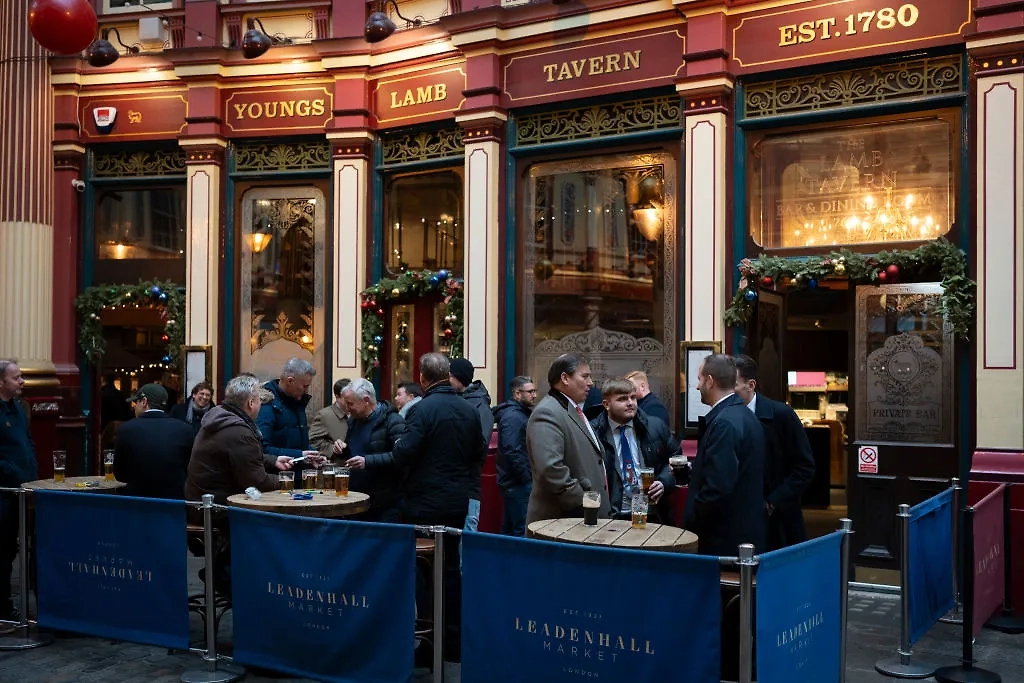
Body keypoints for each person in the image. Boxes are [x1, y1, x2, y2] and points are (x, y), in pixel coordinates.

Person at [392, 352, 484, 664]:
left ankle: (430, 643)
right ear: (447, 374)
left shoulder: (422, 409)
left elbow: (404, 453)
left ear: (422, 378)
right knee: (451, 570)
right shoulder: (469, 409)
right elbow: (478, 454)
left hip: (423, 502)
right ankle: (453, 641)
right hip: (456, 500)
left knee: (424, 572)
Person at [185, 375, 295, 595]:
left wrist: (274, 460)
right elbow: (257, 482)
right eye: (259, 401)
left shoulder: (219, 416)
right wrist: (290, 482)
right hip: (217, 509)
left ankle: (227, 572)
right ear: (251, 403)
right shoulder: (239, 430)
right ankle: (234, 580)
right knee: (275, 523)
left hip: (199, 501)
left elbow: (238, 455)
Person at [683, 354, 767, 555]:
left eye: (700, 380)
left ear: (710, 381)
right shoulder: (745, 414)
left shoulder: (724, 423)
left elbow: (718, 486)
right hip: (743, 531)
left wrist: (692, 520)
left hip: (724, 538)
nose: (697, 386)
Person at [734, 355, 815, 550]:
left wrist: (773, 501)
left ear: (750, 385)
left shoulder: (781, 415)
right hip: (739, 519)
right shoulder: (725, 417)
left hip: (778, 520)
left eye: (733, 384)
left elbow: (804, 468)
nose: (727, 390)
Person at [525, 353, 610, 525]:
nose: (590, 383)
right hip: (564, 523)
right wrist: (585, 501)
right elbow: (551, 470)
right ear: (565, 378)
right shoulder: (548, 412)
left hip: (581, 521)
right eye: (584, 376)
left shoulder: (572, 409)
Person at [590, 378, 678, 522]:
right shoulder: (594, 432)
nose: (630, 403)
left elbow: (675, 458)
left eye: (633, 397)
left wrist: (664, 482)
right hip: (612, 515)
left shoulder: (654, 426)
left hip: (651, 513)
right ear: (606, 404)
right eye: (622, 399)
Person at [339, 378, 407, 522]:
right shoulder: (353, 421)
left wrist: (367, 461)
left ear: (366, 400)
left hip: (383, 503)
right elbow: (354, 451)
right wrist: (341, 450)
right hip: (355, 499)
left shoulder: (393, 421)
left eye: (350, 404)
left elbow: (402, 456)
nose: (347, 408)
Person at [0, 360, 37, 620]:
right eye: (16, 377)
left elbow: (27, 442)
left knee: (12, 549)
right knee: (1, 549)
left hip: (22, 491)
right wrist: (13, 473)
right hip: (3, 492)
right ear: (1, 382)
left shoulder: (19, 409)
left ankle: (6, 604)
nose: (22, 381)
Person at [115, 383, 195, 499]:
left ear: (144, 402)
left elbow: (119, 475)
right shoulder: (185, 429)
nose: (135, 407)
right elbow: (191, 469)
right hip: (174, 502)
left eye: (136, 402)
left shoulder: (126, 429)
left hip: (137, 501)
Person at [256, 358, 323, 478]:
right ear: (290, 381)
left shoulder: (297, 401)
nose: (307, 391)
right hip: (277, 478)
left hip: (298, 476)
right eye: (304, 386)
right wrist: (300, 454)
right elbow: (261, 448)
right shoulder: (266, 403)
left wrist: (312, 454)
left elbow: (296, 442)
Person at [448, 358, 492, 532]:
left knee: (466, 533)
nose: (447, 380)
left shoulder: (480, 406)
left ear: (460, 378)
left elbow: (481, 446)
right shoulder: (451, 399)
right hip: (450, 484)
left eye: (450, 376)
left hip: (468, 484)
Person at [493, 376, 537, 536]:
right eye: (530, 392)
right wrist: (526, 477)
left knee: (511, 528)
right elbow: (512, 450)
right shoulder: (514, 417)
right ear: (517, 394)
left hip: (514, 482)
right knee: (520, 529)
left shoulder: (520, 414)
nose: (534, 395)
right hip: (517, 483)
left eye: (534, 391)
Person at [309, 378, 350, 460]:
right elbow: (312, 441)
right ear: (337, 397)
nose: (350, 400)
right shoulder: (324, 415)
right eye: (347, 398)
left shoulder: (357, 412)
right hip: (338, 465)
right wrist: (332, 449)